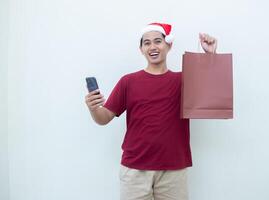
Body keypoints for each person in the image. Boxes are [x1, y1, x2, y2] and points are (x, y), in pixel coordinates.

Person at [85, 22, 217, 200]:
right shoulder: (128, 81)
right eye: (146, 43)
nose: (152, 47)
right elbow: (103, 118)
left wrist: (210, 56)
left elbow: (212, 91)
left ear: (169, 45)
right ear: (141, 49)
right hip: (135, 171)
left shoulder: (183, 80)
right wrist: (94, 108)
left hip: (174, 171)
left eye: (157, 41)